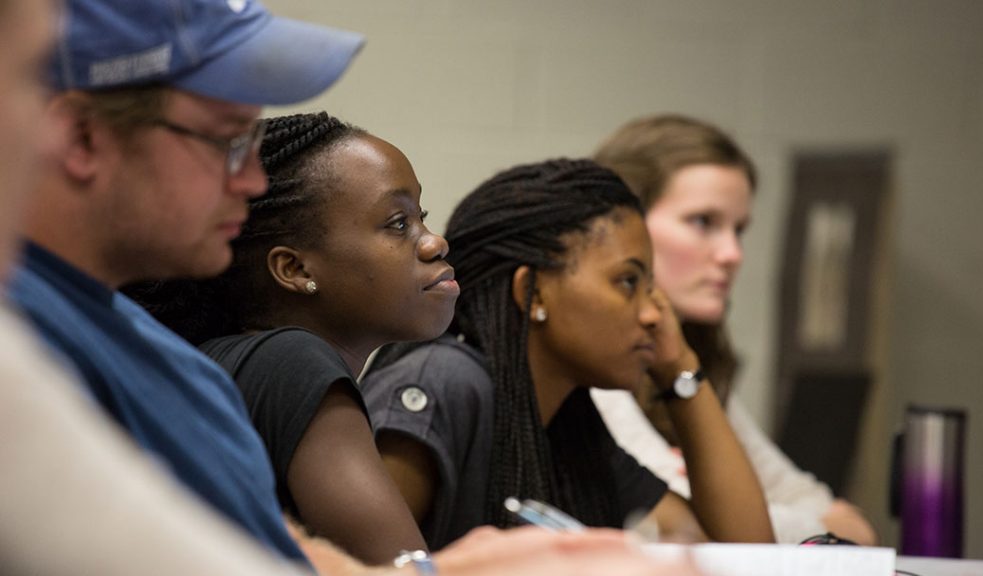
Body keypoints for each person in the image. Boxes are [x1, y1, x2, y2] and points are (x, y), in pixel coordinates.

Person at [3, 1, 696, 574]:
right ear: (82, 138)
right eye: (224, 140)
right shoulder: (26, 345)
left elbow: (258, 546)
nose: (248, 182)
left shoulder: (161, 356)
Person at [362, 158, 775, 550]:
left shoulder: (571, 426)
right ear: (533, 292)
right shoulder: (445, 381)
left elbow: (744, 554)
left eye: (651, 287)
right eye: (628, 282)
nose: (654, 313)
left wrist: (679, 368)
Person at [129, 111, 457, 564]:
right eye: (397, 223)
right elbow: (407, 573)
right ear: (296, 269)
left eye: (420, 217)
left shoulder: (242, 363)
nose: (433, 243)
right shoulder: (290, 363)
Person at [592, 113, 878, 545]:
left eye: (739, 229)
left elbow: (821, 504)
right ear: (625, 226)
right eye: (703, 221)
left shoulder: (689, 358)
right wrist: (823, 528)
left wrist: (825, 522)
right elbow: (694, 528)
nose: (732, 254)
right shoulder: (594, 361)